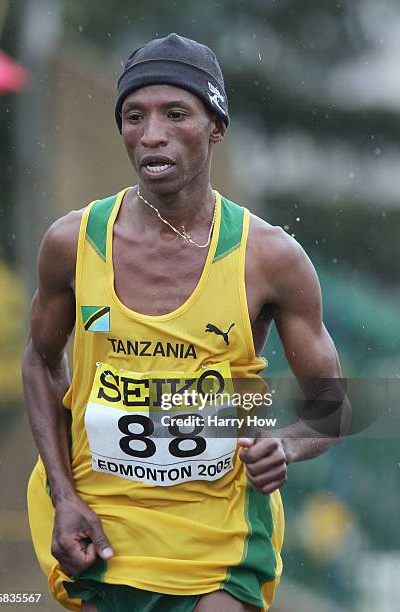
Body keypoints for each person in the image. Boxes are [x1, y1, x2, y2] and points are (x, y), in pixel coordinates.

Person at [24, 33, 348, 612]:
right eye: (133, 116)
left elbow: (332, 407)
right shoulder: (71, 243)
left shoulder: (268, 257)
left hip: (219, 530)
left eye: (176, 114)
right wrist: (63, 492)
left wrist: (288, 446)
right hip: (100, 522)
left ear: (216, 127)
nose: (152, 134)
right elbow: (40, 361)